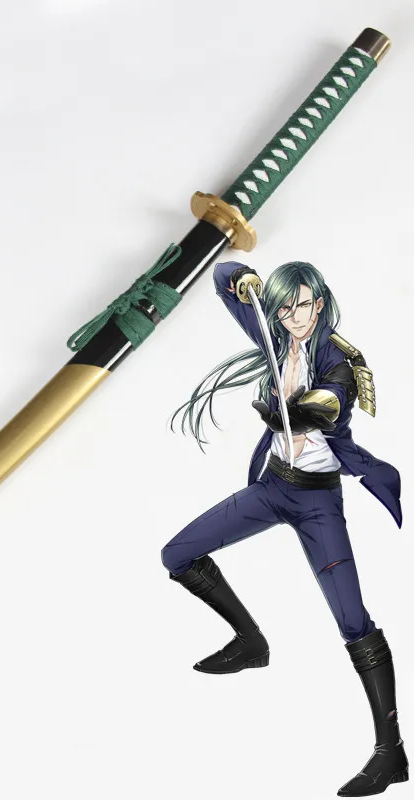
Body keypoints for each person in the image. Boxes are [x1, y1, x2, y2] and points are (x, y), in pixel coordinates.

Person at [163, 260, 407, 797]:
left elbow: (327, 402)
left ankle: (390, 751)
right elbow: (222, 279)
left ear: (319, 303)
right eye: (284, 307)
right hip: (272, 487)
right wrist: (245, 278)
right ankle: (251, 642)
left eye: (302, 305)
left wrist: (294, 410)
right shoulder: (275, 335)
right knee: (176, 555)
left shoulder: (337, 359)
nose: (294, 316)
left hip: (318, 503)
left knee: (353, 621)